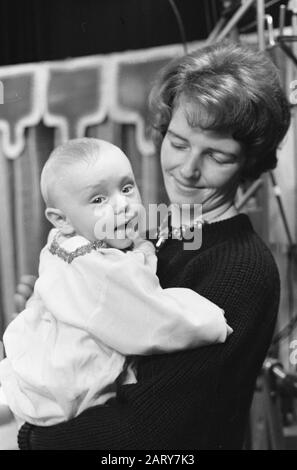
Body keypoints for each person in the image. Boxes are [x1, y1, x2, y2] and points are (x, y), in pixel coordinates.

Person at [16, 41, 290, 449]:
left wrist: (31, 439)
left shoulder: (242, 269)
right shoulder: (149, 227)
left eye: (217, 155)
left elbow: (151, 433)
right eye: (178, 143)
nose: (188, 169)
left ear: (249, 162)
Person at [0, 138, 231, 428]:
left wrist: (142, 249)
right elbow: (151, 319)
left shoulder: (69, 244)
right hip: (64, 385)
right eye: (98, 200)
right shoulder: (98, 269)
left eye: (126, 188)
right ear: (62, 219)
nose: (122, 205)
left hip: (33, 368)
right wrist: (209, 322)